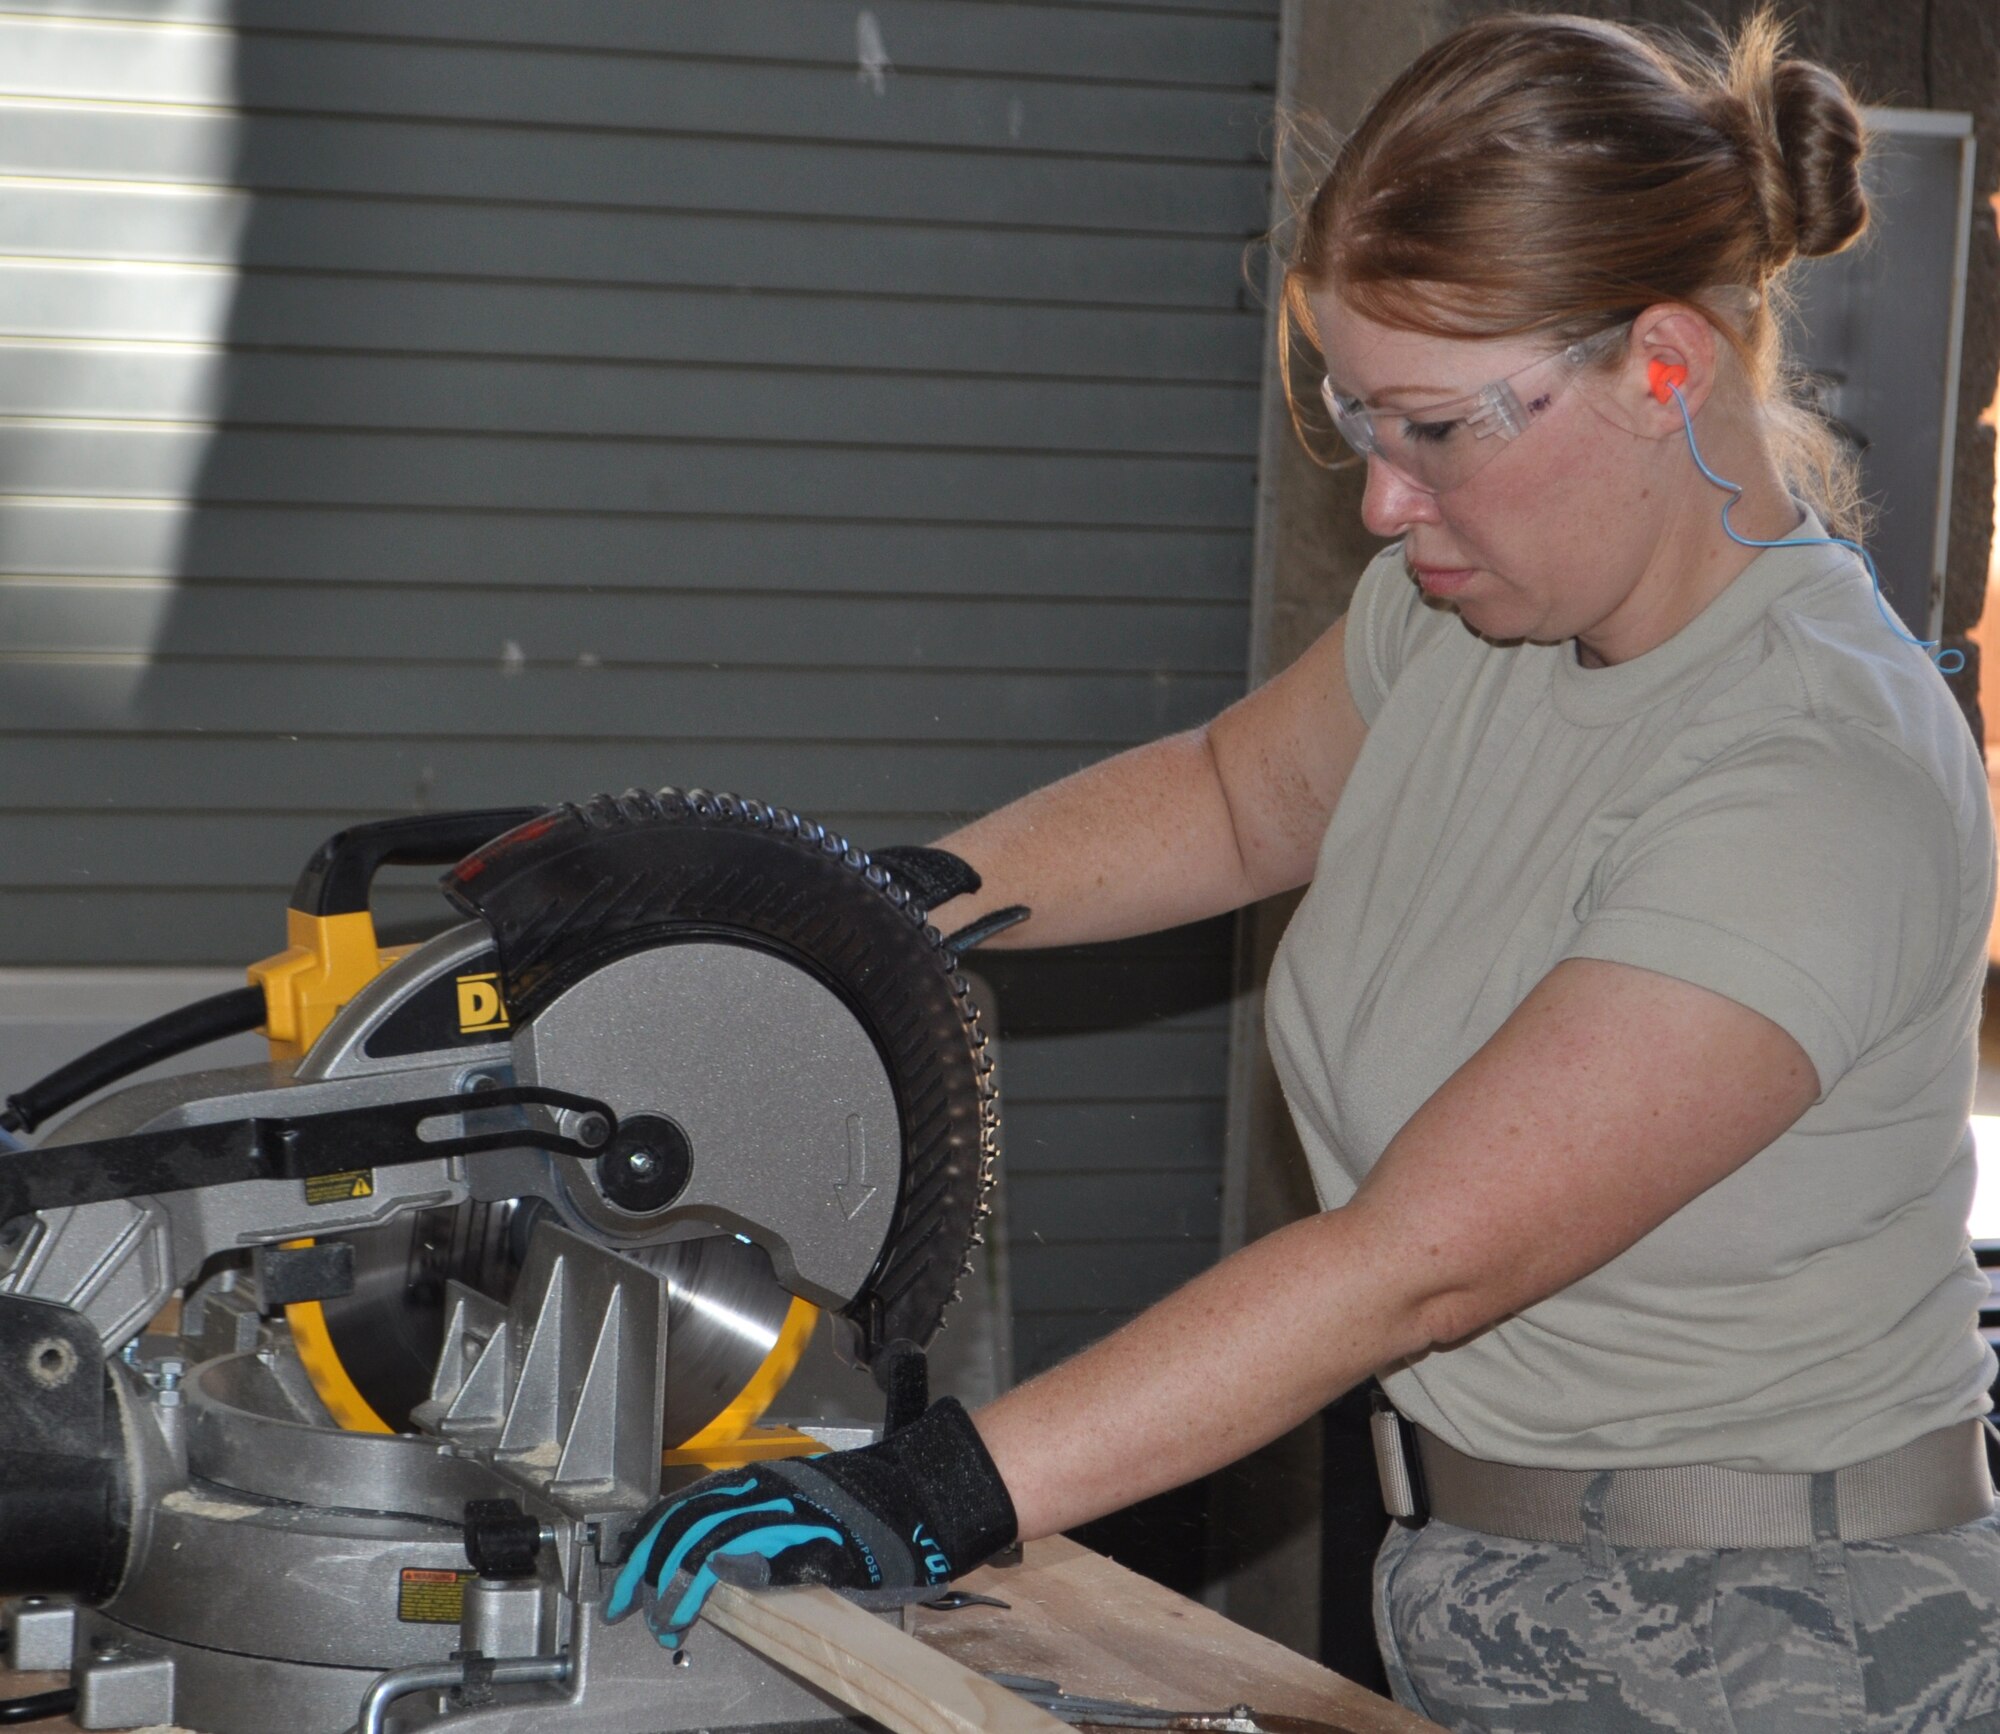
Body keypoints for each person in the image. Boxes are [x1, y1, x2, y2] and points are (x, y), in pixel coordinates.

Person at [608, 12, 2000, 1728]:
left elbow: (1419, 1255)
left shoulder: (1817, 771)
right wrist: (871, 917)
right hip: (1487, 1576)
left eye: (1436, 429)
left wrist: (929, 1491)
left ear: (1662, 365)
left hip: (1779, 1645)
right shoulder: (1483, 610)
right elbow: (1229, 800)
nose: (1388, 508)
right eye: (1361, 422)